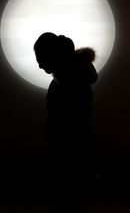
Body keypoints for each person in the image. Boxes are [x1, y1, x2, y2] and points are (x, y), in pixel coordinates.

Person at [34, 32, 98, 190]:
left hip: (65, 157)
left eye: (41, 59)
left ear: (52, 57)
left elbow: (64, 131)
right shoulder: (76, 79)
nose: (40, 66)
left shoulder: (66, 86)